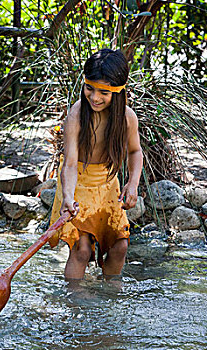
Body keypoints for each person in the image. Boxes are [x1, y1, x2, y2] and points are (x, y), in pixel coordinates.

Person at [48, 48, 143, 281]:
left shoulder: (127, 118)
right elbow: (69, 164)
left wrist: (132, 183)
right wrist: (68, 197)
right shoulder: (77, 115)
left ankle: (110, 298)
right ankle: (75, 302)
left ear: (119, 92)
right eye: (89, 88)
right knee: (81, 250)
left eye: (104, 92)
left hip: (107, 184)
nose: (95, 97)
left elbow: (135, 151)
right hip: (77, 184)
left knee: (119, 246)